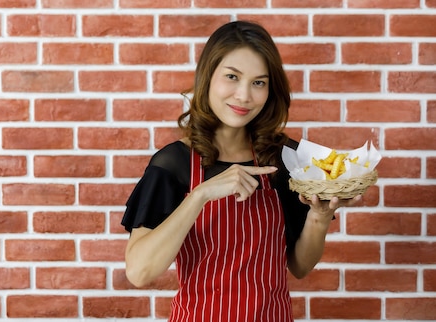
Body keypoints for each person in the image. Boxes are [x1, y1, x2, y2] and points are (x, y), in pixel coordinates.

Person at [121, 20, 363, 321]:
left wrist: (320, 216)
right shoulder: (173, 164)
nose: (244, 95)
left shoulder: (285, 157)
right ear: (208, 76)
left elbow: (299, 266)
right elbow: (140, 271)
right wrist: (200, 195)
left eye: (258, 82)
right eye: (232, 77)